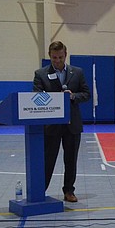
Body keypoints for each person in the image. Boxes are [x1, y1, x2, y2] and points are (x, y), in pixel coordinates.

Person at [33, 41, 91, 202]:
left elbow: (86, 94)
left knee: (71, 160)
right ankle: (40, 191)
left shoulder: (77, 72)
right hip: (51, 125)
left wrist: (73, 96)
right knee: (48, 159)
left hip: (72, 125)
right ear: (49, 56)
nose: (57, 61)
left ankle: (69, 191)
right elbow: (37, 96)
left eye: (60, 57)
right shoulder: (41, 74)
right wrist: (54, 99)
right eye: (53, 58)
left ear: (65, 55)